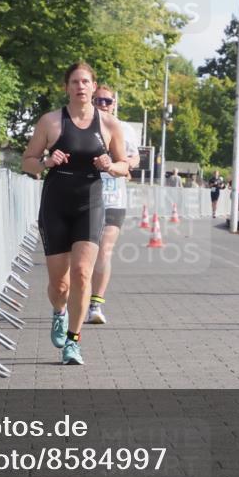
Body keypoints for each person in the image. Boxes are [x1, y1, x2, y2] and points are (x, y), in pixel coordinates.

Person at [22, 62, 128, 364]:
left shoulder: (109, 125)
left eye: (85, 82)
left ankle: (73, 341)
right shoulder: (50, 122)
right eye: (75, 82)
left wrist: (110, 166)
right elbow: (27, 161)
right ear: (66, 87)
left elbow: (124, 166)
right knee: (60, 284)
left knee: (82, 272)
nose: (80, 86)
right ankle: (59, 311)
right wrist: (46, 162)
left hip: (90, 203)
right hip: (56, 204)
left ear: (93, 86)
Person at [85, 85, 140, 326]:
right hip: (86, 197)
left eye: (107, 101)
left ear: (114, 103)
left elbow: (134, 157)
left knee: (104, 250)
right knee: (83, 254)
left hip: (114, 198)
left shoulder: (124, 128)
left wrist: (125, 164)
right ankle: (72, 302)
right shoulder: (82, 125)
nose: (103, 105)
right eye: (99, 100)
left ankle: (95, 306)